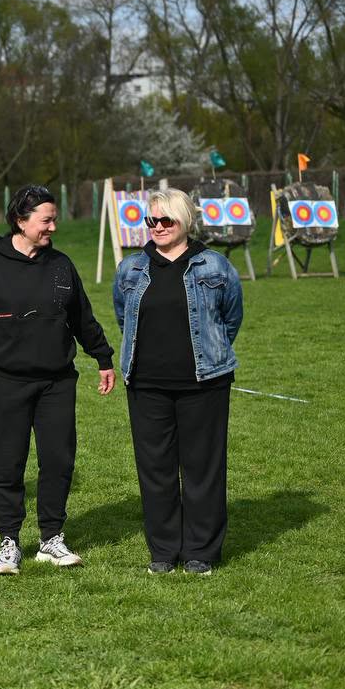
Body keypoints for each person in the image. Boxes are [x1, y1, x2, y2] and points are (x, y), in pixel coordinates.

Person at [0, 185, 115, 575]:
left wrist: (103, 356)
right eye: (46, 220)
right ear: (20, 221)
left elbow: (82, 318)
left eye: (53, 219)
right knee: (8, 465)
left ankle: (51, 539)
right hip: (4, 382)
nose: (52, 227)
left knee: (58, 461)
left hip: (57, 383)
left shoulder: (61, 265)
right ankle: (9, 542)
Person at [113, 188, 242, 576]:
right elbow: (124, 318)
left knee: (203, 468)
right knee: (156, 470)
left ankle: (201, 550)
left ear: (184, 222)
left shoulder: (216, 266)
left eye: (165, 220)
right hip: (147, 386)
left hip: (204, 384)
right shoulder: (130, 268)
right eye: (150, 221)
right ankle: (164, 550)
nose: (156, 227)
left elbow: (230, 318)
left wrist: (208, 352)